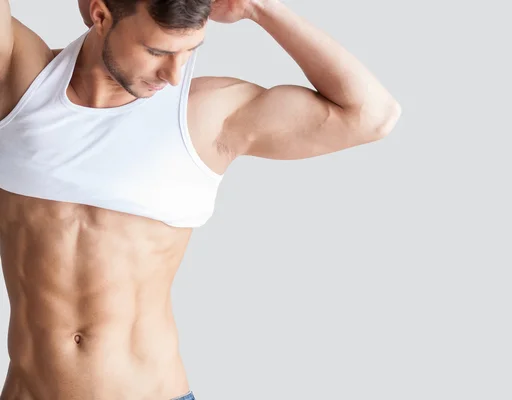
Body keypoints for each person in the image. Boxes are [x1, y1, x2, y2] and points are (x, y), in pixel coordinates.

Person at [0, 0, 401, 398]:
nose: (174, 74)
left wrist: (259, 8)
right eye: (157, 51)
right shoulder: (21, 80)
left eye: (190, 51)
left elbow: (373, 115)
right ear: (100, 15)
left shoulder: (207, 115)